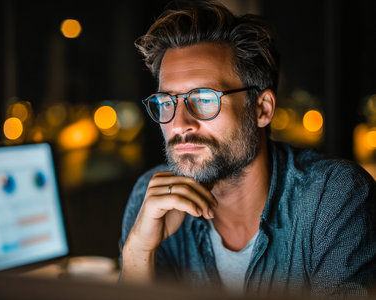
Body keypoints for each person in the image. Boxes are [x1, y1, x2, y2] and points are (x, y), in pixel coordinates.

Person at [119, 0, 376, 297]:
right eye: (167, 102)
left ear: (262, 109)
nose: (179, 124)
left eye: (204, 99)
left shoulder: (333, 198)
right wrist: (138, 254)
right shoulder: (151, 199)